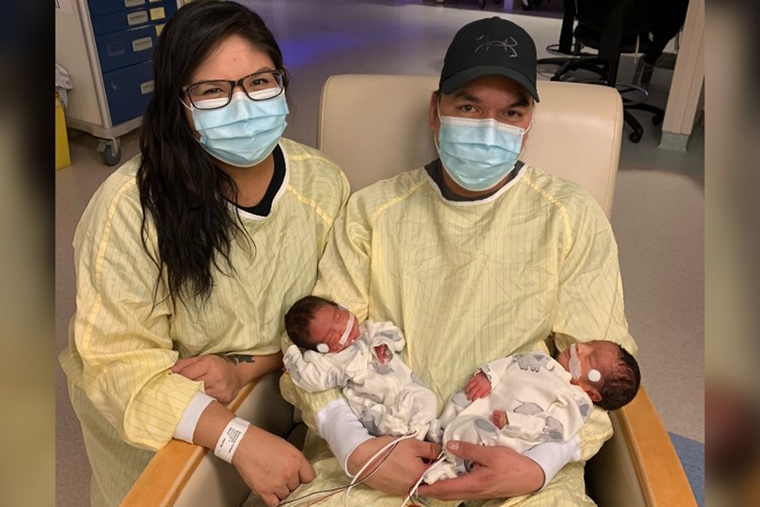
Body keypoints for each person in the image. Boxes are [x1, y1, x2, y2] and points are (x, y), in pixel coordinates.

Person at [260, 15, 637, 507]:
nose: (489, 128)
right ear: (435, 112)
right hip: (380, 450)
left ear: (528, 126)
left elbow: (602, 373)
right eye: (469, 106)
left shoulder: (571, 218)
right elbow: (316, 348)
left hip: (517, 456)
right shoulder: (372, 213)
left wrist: (540, 465)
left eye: (511, 113)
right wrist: (354, 445)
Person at [57, 2, 349, 506]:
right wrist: (236, 437)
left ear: (281, 81)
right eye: (212, 91)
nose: (243, 104)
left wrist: (247, 368)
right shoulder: (131, 209)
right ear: (179, 104)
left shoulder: (323, 183)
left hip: (284, 389)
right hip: (174, 418)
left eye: (259, 82)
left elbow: (339, 311)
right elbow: (120, 363)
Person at [423, 341, 640, 483]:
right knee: (461, 400)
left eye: (589, 358)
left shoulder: (577, 402)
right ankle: (437, 432)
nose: (581, 348)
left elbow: (553, 427)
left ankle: (448, 466)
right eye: (590, 343)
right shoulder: (543, 360)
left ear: (592, 393)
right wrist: (489, 376)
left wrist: (514, 421)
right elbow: (512, 362)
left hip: (501, 429)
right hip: (485, 402)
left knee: (477, 434)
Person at [282, 296, 439, 441]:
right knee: (378, 419)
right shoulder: (330, 362)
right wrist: (292, 356)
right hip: (369, 398)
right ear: (322, 348)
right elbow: (310, 379)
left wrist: (383, 342)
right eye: (331, 335)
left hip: (405, 387)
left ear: (342, 307)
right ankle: (406, 434)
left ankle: (423, 430)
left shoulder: (370, 330)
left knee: (428, 399)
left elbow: (397, 335)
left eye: (339, 317)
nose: (342, 328)